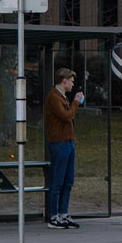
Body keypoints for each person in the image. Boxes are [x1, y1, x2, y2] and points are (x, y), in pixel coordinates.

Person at [44, 66, 86, 229]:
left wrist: (73, 102)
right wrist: (76, 101)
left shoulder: (62, 97)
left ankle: (63, 213)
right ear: (64, 81)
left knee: (68, 180)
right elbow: (66, 116)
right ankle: (53, 216)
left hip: (68, 141)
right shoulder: (54, 97)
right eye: (71, 81)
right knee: (58, 180)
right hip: (59, 142)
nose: (73, 85)